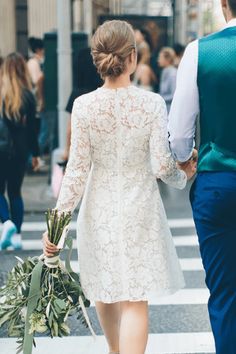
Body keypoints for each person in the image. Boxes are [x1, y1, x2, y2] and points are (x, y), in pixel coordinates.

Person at [43, 20, 196, 354]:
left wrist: (56, 224)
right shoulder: (152, 104)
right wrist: (184, 173)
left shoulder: (83, 106)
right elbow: (162, 166)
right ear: (133, 57)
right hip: (140, 209)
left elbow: (76, 172)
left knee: (105, 288)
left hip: (98, 210)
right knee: (135, 297)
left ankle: (115, 350)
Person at [168, 1, 236, 353]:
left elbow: (179, 133)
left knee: (225, 291)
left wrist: (184, 158)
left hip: (219, 181)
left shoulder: (200, 52)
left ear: (223, 4)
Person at [0, 53, 39, 250]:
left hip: (1, 150)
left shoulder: (1, 93)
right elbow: (33, 130)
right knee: (15, 192)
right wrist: (36, 154)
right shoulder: (28, 96)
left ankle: (6, 222)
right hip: (20, 152)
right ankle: (17, 235)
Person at [28, 37, 47, 158]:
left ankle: (34, 158)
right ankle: (33, 159)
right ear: (39, 49)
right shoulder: (34, 63)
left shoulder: (33, 62)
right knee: (40, 131)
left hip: (34, 100)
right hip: (35, 100)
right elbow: (37, 81)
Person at [158, 47, 177, 112]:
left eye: (160, 58)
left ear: (167, 59)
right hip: (164, 108)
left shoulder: (173, 74)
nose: (158, 60)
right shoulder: (164, 71)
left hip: (170, 110)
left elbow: (174, 95)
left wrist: (159, 98)